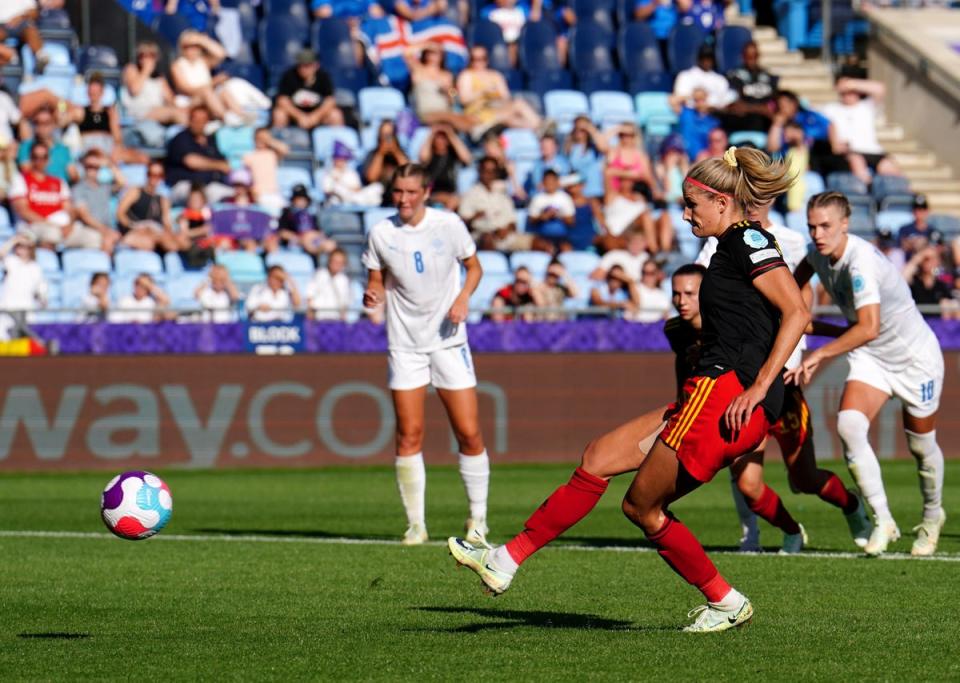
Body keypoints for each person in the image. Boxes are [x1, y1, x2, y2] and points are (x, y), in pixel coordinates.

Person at [449, 146, 810, 633]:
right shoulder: (734, 245)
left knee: (641, 506)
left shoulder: (748, 241)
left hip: (725, 397)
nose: (684, 214)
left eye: (691, 204)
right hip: (711, 392)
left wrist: (758, 386)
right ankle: (506, 559)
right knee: (598, 457)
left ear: (723, 202)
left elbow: (798, 313)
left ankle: (725, 600)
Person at [695, 201, 870, 552]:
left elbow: (798, 311)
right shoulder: (720, 241)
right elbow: (699, 285)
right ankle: (791, 531)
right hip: (745, 379)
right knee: (747, 482)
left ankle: (852, 505)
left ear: (771, 199)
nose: (753, 205)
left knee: (805, 478)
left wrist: (839, 333)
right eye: (746, 197)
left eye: (760, 197)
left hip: (783, 383)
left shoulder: (791, 242)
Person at [788, 191, 946, 557]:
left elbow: (869, 326)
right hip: (871, 357)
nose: (818, 234)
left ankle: (932, 516)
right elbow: (799, 279)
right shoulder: (817, 253)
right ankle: (883, 519)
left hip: (914, 359)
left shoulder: (861, 264)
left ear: (846, 224)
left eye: (826, 226)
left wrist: (820, 353)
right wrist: (797, 312)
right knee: (849, 426)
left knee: (921, 447)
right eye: (812, 227)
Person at [362, 163, 490, 546]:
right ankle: (416, 524)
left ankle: (478, 518)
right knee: (408, 434)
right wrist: (373, 295)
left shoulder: (448, 225)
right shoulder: (381, 232)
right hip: (405, 344)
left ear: (426, 192)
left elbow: (474, 268)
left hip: (449, 340)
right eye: (398, 192)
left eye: (411, 192)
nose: (403, 199)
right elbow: (374, 280)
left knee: (468, 432)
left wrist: (463, 298)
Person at [10, 141, 101, 251]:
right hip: (34, 226)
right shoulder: (21, 180)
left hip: (60, 227)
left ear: (48, 159)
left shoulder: (59, 182)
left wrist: (68, 225)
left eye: (44, 157)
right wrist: (49, 223)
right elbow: (23, 210)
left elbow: (69, 209)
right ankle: (47, 262)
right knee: (52, 234)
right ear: (31, 158)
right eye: (36, 157)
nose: (40, 160)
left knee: (93, 237)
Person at [821, 77, 902, 185]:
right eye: (845, 92)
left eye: (851, 92)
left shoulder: (867, 106)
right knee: (858, 163)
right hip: (851, 151)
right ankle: (868, 192)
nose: (848, 95)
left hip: (873, 151)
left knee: (891, 169)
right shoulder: (831, 109)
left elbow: (880, 89)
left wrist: (852, 83)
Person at [66, 72, 149, 164]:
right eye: (91, 91)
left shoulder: (110, 112)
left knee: (142, 158)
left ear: (102, 92)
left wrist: (117, 147)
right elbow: (62, 108)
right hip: (88, 146)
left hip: (107, 146)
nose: (93, 94)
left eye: (96, 92)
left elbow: (117, 136)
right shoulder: (81, 112)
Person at [455, 45, 540, 135]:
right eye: (475, 59)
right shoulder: (466, 75)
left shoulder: (495, 75)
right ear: (470, 60)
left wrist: (496, 97)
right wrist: (483, 92)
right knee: (511, 116)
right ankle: (540, 127)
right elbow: (464, 100)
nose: (479, 62)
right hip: (478, 114)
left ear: (487, 59)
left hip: (497, 109)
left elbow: (506, 97)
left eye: (482, 58)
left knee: (517, 106)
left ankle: (540, 127)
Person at [165, 105, 232, 204]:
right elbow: (191, 161)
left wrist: (221, 165)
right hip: (185, 185)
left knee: (233, 196)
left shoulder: (211, 140)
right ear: (190, 120)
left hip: (210, 186)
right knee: (197, 196)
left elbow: (225, 165)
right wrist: (218, 165)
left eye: (202, 120)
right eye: (195, 119)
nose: (198, 123)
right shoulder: (181, 138)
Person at [121, 40, 188, 140]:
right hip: (139, 112)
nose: (147, 59)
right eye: (143, 55)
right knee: (175, 113)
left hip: (158, 111)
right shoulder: (132, 69)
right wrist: (146, 71)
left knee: (185, 111)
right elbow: (135, 90)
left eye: (151, 55)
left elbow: (171, 100)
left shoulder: (159, 78)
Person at [406, 42, 476, 133]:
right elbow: (407, 53)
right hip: (427, 112)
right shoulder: (419, 70)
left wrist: (448, 91)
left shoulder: (447, 75)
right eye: (431, 52)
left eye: (437, 52)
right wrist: (428, 45)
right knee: (454, 119)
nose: (434, 55)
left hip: (445, 110)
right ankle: (474, 135)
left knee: (471, 119)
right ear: (426, 53)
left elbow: (453, 98)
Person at [115, 160, 183, 254]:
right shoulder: (135, 192)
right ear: (147, 175)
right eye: (152, 174)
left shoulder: (163, 199)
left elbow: (166, 222)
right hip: (137, 228)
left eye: (159, 175)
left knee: (176, 241)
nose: (155, 178)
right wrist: (133, 226)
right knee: (147, 242)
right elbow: (120, 213)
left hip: (155, 231)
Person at [458, 156, 524, 252]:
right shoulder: (470, 195)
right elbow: (462, 224)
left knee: (540, 243)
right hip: (481, 236)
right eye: (486, 170)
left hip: (505, 236)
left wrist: (506, 230)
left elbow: (513, 222)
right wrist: (474, 217)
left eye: (492, 171)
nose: (489, 174)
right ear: (480, 171)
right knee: (487, 239)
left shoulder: (503, 195)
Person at [272, 49, 344, 130]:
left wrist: (315, 117)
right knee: (279, 114)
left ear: (316, 65)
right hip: (295, 115)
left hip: (318, 114)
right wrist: (299, 116)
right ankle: (279, 141)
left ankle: (336, 141)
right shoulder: (289, 76)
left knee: (335, 114)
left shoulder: (323, 76)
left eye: (307, 65)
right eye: (300, 65)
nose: (303, 69)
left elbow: (330, 100)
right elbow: (282, 100)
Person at [70, 149, 123, 255]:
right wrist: (105, 230)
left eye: (96, 167)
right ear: (84, 167)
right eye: (89, 166)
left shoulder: (104, 187)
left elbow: (122, 183)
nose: (92, 170)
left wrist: (109, 164)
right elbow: (84, 216)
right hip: (89, 228)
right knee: (108, 240)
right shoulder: (78, 188)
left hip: (106, 228)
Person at [722, 41, 777, 133]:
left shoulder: (769, 77)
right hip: (743, 123)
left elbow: (772, 106)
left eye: (754, 56)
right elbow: (736, 106)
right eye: (748, 56)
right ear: (743, 56)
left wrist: (750, 108)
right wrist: (761, 109)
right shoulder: (733, 76)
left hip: (766, 123)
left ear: (758, 56)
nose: (751, 59)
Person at [17, 107, 77, 184]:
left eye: (46, 123)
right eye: (37, 122)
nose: (42, 127)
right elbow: (26, 171)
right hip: (37, 191)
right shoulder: (26, 147)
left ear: (54, 124)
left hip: (60, 191)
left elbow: (73, 175)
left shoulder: (63, 149)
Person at [419, 124, 471, 211]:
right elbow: (422, 158)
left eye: (444, 138)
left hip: (450, 193)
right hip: (432, 193)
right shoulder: (430, 156)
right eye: (438, 137)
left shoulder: (453, 156)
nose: (441, 141)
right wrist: (432, 134)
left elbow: (467, 158)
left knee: (456, 200)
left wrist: (450, 134)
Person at [275, 184, 337, 257]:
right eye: (298, 199)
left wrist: (317, 236)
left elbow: (318, 230)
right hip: (298, 241)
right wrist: (299, 238)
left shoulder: (311, 213)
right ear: (293, 200)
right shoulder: (287, 213)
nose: (301, 201)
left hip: (314, 239)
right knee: (309, 241)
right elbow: (282, 232)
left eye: (303, 199)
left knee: (331, 245)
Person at [903, 245, 959, 320]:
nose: (931, 262)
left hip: (937, 327)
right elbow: (902, 280)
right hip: (916, 324)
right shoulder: (914, 282)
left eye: (934, 258)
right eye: (927, 259)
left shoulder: (940, 285)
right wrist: (918, 258)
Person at [321, 141, 384, 207]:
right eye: (338, 159)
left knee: (377, 187)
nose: (341, 161)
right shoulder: (328, 173)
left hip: (354, 196)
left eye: (343, 159)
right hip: (340, 199)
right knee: (337, 190)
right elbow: (328, 191)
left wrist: (346, 187)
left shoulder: (351, 173)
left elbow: (357, 189)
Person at [526, 169, 575, 252]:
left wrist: (558, 215)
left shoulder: (565, 198)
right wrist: (542, 217)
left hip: (562, 236)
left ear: (557, 182)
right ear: (543, 183)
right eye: (547, 181)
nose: (550, 184)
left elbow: (571, 221)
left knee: (566, 249)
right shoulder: (537, 198)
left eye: (552, 181)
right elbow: (531, 220)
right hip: (542, 236)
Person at [362, 120, 409, 205]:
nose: (386, 139)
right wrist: (380, 154)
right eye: (383, 135)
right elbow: (371, 178)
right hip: (378, 198)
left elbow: (408, 173)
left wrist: (396, 152)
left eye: (389, 135)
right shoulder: (373, 154)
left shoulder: (401, 154)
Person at [0, 233, 47, 317]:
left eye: (26, 246)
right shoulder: (11, 261)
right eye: (19, 246)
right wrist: (14, 240)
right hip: (8, 307)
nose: (22, 249)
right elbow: (1, 254)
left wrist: (42, 299)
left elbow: (40, 291)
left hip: (27, 309)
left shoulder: (35, 267)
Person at [0, 1, 47, 74]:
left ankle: (40, 56)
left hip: (22, 23)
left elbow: (34, 12)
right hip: (2, 26)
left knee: (30, 29)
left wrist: (20, 17)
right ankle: (10, 55)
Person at [307, 248, 352, 321]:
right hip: (318, 319)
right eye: (334, 261)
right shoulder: (319, 274)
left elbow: (345, 303)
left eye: (340, 262)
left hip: (336, 320)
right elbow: (310, 295)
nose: (336, 264)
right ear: (329, 261)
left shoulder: (344, 280)